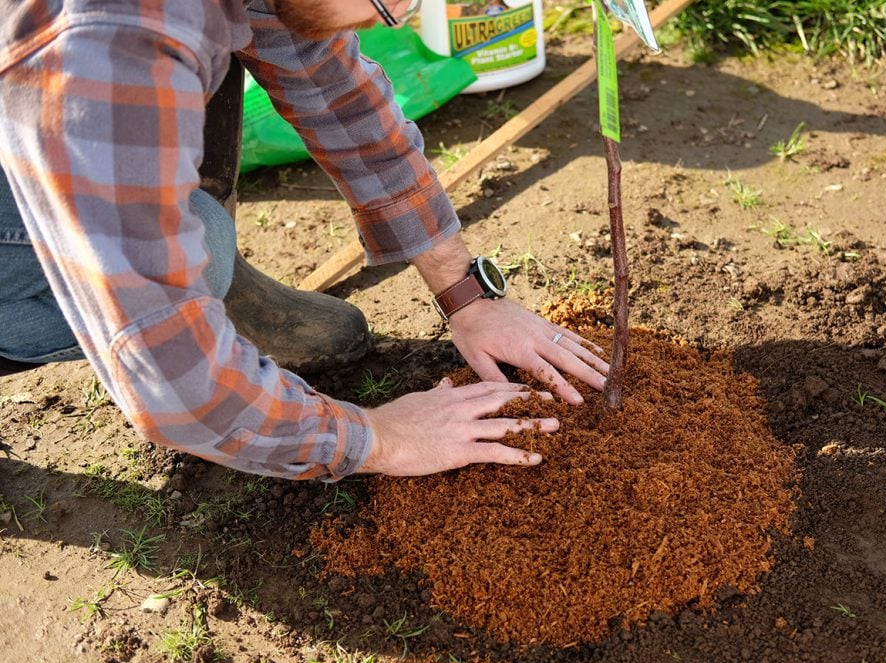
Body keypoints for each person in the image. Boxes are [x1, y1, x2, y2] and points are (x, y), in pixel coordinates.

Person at [0, 0, 608, 479]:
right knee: (201, 251)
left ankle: (210, 292)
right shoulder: (111, 42)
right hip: (61, 96)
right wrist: (379, 439)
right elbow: (170, 383)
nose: (395, 17)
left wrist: (465, 292)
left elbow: (335, 94)